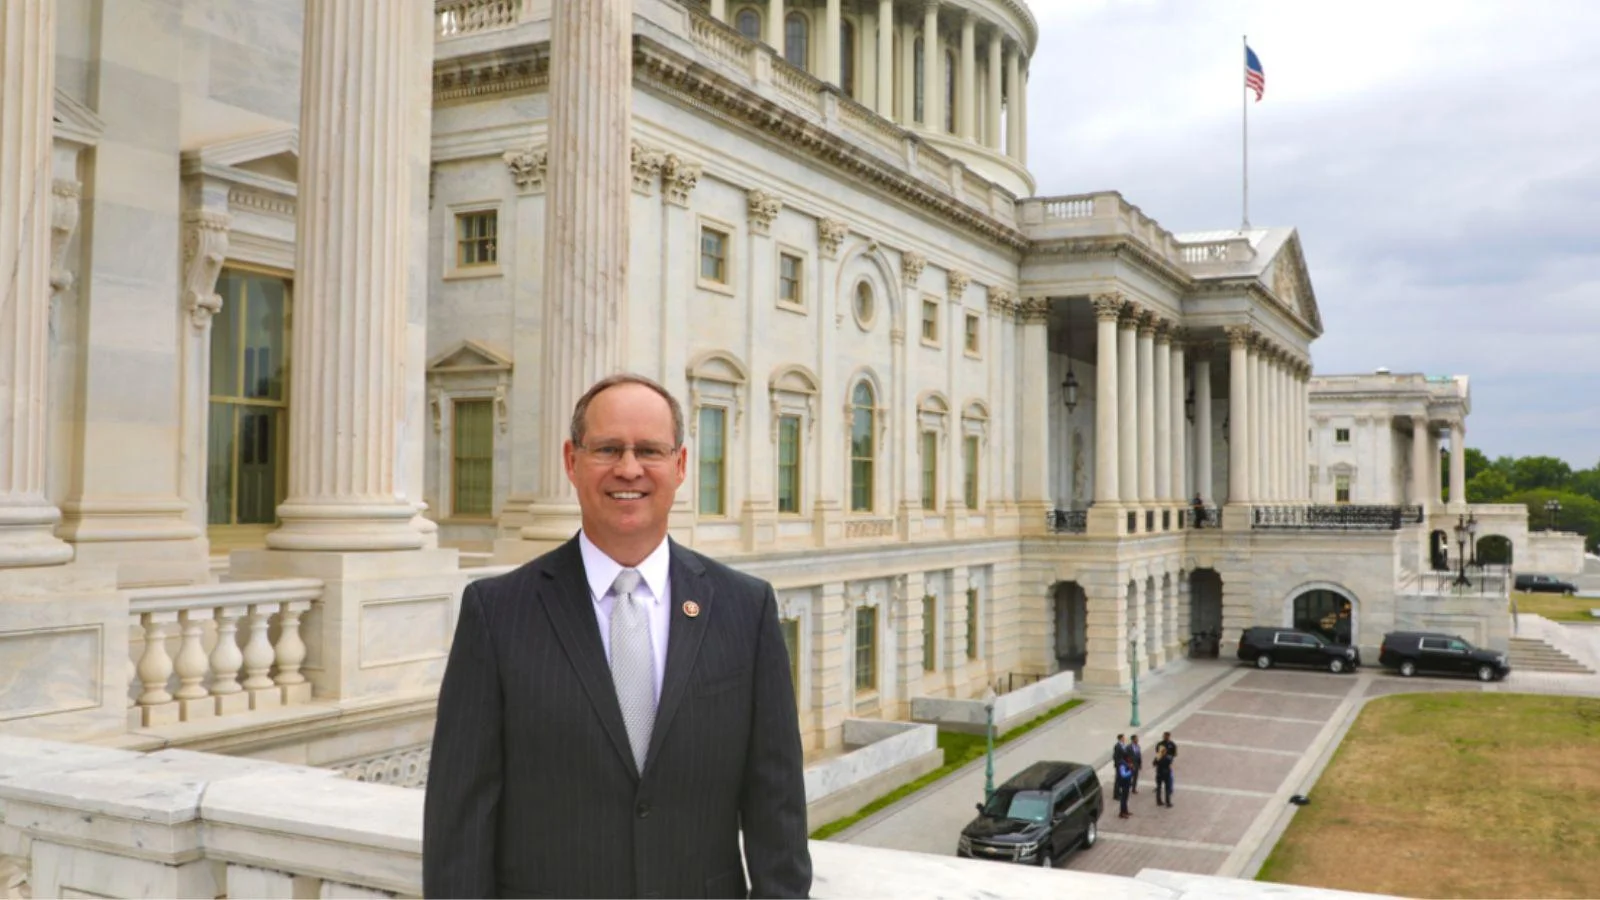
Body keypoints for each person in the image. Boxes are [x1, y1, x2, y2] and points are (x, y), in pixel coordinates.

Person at [423, 374, 812, 899]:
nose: (629, 468)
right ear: (572, 461)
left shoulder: (747, 609)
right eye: (608, 449)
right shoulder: (497, 614)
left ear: (679, 465)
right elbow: (459, 823)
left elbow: (778, 811)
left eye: (649, 450)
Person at [1154, 731, 1178, 808]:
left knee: (1159, 787)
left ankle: (1159, 801)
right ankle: (1167, 802)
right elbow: (1170, 762)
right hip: (1166, 772)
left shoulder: (1172, 745)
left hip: (1159, 772)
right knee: (1165, 787)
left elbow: (1154, 763)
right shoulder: (1168, 758)